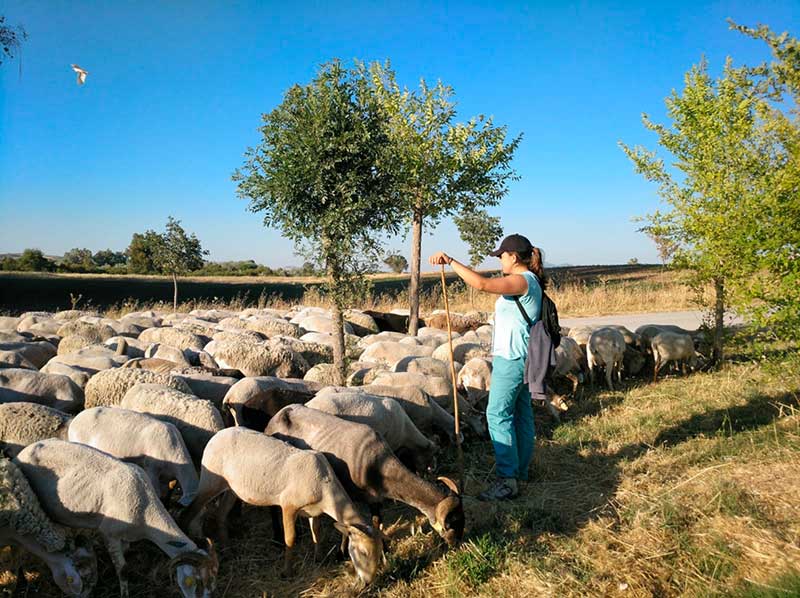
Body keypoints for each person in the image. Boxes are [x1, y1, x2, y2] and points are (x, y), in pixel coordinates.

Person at [428, 233, 545, 501]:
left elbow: (481, 284)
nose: (500, 260)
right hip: (524, 356)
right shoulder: (531, 281)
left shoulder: (521, 280)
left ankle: (507, 480)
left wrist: (451, 260)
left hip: (512, 358)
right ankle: (521, 471)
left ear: (513, 257)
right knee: (521, 414)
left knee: (497, 415)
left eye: (502, 255)